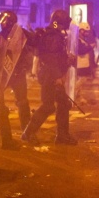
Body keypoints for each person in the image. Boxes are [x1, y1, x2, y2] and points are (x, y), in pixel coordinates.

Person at [21, 10, 77, 146]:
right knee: (48, 106)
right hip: (50, 75)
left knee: (63, 103)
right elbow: (51, 59)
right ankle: (28, 133)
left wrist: (66, 60)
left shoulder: (51, 33)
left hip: (50, 74)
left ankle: (62, 136)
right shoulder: (53, 36)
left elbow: (55, 56)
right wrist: (57, 76)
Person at [0, 10, 33, 150]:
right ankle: (5, 138)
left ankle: (28, 131)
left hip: (17, 74)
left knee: (22, 102)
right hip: (1, 74)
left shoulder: (20, 35)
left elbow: (32, 42)